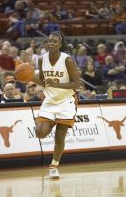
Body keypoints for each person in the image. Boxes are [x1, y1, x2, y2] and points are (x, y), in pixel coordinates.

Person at [33, 31, 79, 179]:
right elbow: (42, 80)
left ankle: (54, 166)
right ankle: (51, 120)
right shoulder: (42, 59)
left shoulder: (68, 60)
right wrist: (30, 78)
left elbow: (76, 84)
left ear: (60, 45)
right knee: (40, 133)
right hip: (50, 101)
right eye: (49, 41)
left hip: (66, 101)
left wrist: (56, 84)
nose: (51, 43)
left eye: (55, 42)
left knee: (59, 138)